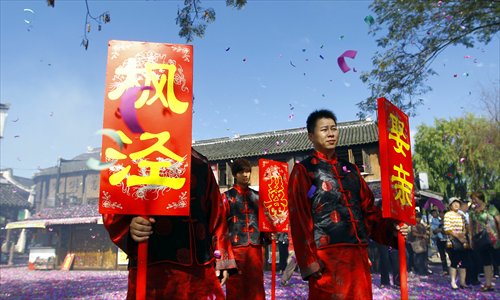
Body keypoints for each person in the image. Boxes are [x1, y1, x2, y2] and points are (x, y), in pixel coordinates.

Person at [287, 109, 409, 299]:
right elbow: (299, 218)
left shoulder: (351, 170)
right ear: (311, 136)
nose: (331, 134)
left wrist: (392, 229)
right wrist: (310, 261)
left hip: (358, 256)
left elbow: (368, 210)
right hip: (326, 257)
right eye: (324, 129)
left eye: (334, 129)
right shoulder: (303, 170)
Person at [102, 149, 237, 299]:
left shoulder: (200, 162)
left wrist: (223, 258)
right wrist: (130, 227)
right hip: (150, 266)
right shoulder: (132, 155)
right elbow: (113, 205)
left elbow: (216, 214)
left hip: (198, 268)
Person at [222, 158, 266, 300]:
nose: (245, 175)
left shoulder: (258, 196)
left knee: (256, 286)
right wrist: (225, 257)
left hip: (255, 248)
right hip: (235, 250)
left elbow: (264, 223)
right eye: (241, 172)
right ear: (235, 174)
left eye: (248, 171)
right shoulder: (226, 197)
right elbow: (221, 228)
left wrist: (270, 234)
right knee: (236, 288)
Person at [469, 191, 500, 292]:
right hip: (480, 239)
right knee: (486, 262)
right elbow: (470, 226)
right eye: (472, 199)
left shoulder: (490, 208)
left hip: (494, 238)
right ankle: (488, 284)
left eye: (475, 198)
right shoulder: (472, 211)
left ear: (481, 198)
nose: (473, 201)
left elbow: (498, 221)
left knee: (498, 260)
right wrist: (471, 239)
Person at [443, 197, 470, 290]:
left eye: (458, 203)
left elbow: (465, 226)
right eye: (454, 203)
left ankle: (462, 282)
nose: (456, 205)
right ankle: (453, 281)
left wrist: (464, 234)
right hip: (452, 241)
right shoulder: (448, 215)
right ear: (450, 205)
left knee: (464, 262)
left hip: (463, 241)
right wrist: (458, 236)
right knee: (454, 261)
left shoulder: (461, 215)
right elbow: (447, 229)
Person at [430, 209, 449, 275]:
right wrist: (438, 229)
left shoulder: (448, 221)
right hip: (440, 240)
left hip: (448, 240)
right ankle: (445, 269)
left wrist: (441, 230)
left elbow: (448, 231)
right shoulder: (436, 221)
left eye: (442, 213)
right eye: (440, 213)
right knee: (442, 255)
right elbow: (434, 231)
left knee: (450, 254)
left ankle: (453, 268)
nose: (441, 215)